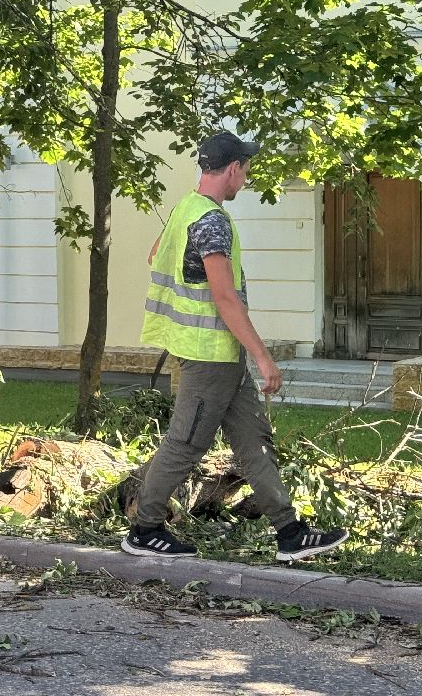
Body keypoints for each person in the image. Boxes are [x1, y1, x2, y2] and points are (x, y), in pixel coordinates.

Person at [124, 132, 349, 563]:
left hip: (216, 354)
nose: (244, 179)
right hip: (209, 354)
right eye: (245, 171)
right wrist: (265, 358)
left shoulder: (184, 211)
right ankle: (145, 528)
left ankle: (289, 532)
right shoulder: (211, 221)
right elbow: (225, 298)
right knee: (186, 442)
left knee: (254, 440)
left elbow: (157, 254)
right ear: (232, 168)